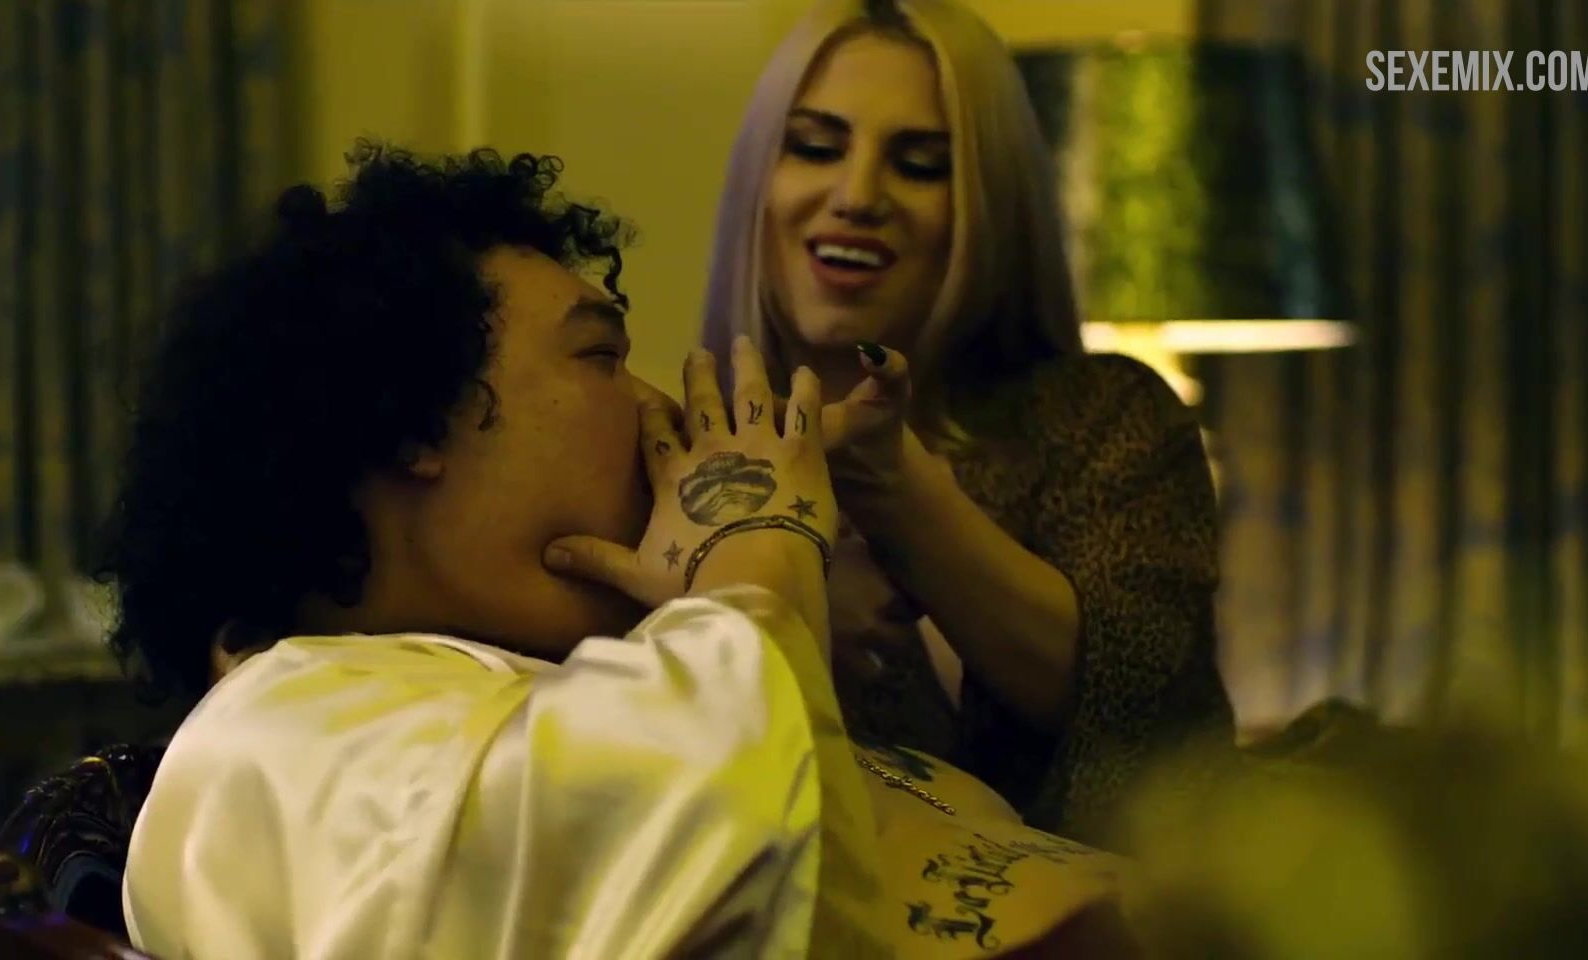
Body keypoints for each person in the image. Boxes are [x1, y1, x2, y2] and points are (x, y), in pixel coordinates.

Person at [101, 144, 1131, 959]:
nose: (660, 411)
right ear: (406, 418)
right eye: (601, 356)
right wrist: (756, 540)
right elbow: (708, 853)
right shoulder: (278, 735)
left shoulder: (565, 681)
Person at [694, 0, 1235, 844]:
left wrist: (905, 501)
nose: (856, 196)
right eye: (817, 148)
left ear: (989, 205)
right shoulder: (684, 453)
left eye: (919, 164)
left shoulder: (1101, 418)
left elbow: (1152, 716)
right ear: (757, 180)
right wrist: (779, 596)